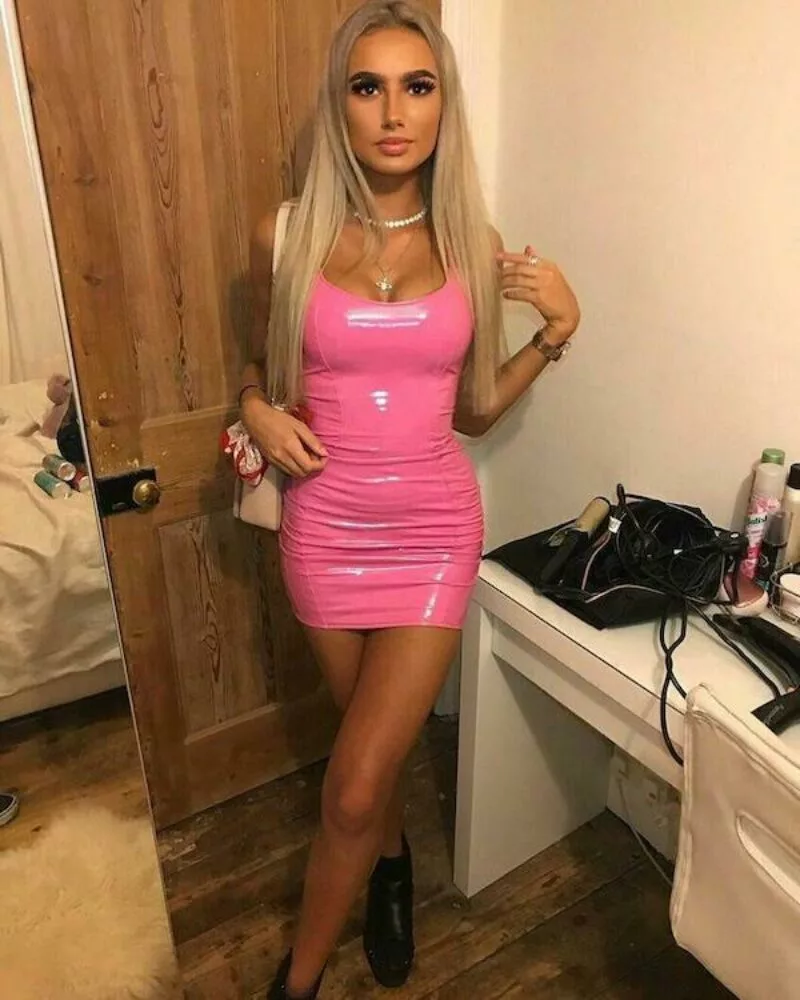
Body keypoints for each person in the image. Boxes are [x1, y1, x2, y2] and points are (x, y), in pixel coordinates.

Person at [238, 2, 580, 996]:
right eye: (368, 86)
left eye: (417, 86)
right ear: (339, 105)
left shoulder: (473, 242)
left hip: (432, 531)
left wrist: (554, 335)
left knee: (350, 786)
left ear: (442, 105)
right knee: (366, 754)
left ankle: (295, 984)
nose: (394, 112)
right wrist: (255, 407)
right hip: (323, 527)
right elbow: (258, 369)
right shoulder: (284, 234)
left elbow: (472, 413)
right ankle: (391, 865)